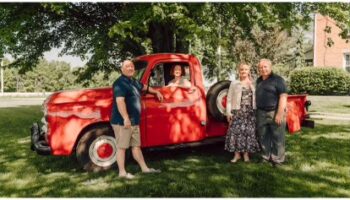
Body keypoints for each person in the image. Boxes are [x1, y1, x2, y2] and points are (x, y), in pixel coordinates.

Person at [111, 60, 164, 179]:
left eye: (131, 66)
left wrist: (156, 91)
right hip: (123, 121)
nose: (130, 68)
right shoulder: (119, 83)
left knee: (136, 147)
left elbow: (144, 87)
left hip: (134, 121)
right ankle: (122, 173)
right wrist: (125, 118)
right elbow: (120, 101)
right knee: (122, 147)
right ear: (122, 69)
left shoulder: (134, 81)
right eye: (127, 66)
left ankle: (145, 169)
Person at [225, 63, 260, 163]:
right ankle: (237, 155)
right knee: (236, 132)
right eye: (242, 69)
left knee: (248, 133)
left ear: (249, 71)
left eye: (246, 69)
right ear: (238, 71)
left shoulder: (253, 84)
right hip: (237, 111)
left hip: (250, 112)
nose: (244, 71)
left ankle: (246, 155)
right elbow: (229, 99)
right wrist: (228, 112)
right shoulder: (234, 83)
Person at [256, 58, 288, 166]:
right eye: (261, 67)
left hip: (274, 112)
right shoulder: (259, 80)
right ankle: (265, 157)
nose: (263, 69)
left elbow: (283, 96)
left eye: (265, 67)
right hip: (261, 112)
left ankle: (278, 159)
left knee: (278, 136)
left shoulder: (278, 80)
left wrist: (280, 113)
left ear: (270, 67)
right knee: (263, 136)